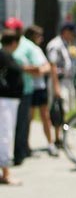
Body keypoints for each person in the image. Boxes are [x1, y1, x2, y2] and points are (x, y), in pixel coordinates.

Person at [3, 17, 49, 166]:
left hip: (23, 91)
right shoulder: (3, 43)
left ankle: (19, 154)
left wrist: (19, 68)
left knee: (22, 124)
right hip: (5, 93)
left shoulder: (28, 46)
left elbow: (42, 68)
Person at [24, 25, 59, 157]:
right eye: (39, 36)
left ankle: (50, 143)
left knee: (45, 116)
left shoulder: (38, 50)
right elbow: (30, 68)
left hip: (40, 87)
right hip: (30, 88)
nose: (41, 38)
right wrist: (38, 69)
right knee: (29, 118)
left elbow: (46, 67)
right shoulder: (26, 48)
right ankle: (26, 145)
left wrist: (39, 70)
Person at [46, 22, 76, 147]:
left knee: (64, 109)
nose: (73, 36)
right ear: (65, 32)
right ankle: (57, 138)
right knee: (57, 110)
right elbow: (52, 66)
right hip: (59, 81)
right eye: (72, 34)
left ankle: (61, 137)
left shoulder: (66, 44)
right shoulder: (55, 44)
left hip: (67, 81)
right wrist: (56, 87)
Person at [0, 30, 24, 185]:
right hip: (5, 100)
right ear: (14, 42)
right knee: (5, 135)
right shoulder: (3, 55)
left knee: (5, 134)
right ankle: (5, 172)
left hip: (9, 99)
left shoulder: (5, 55)